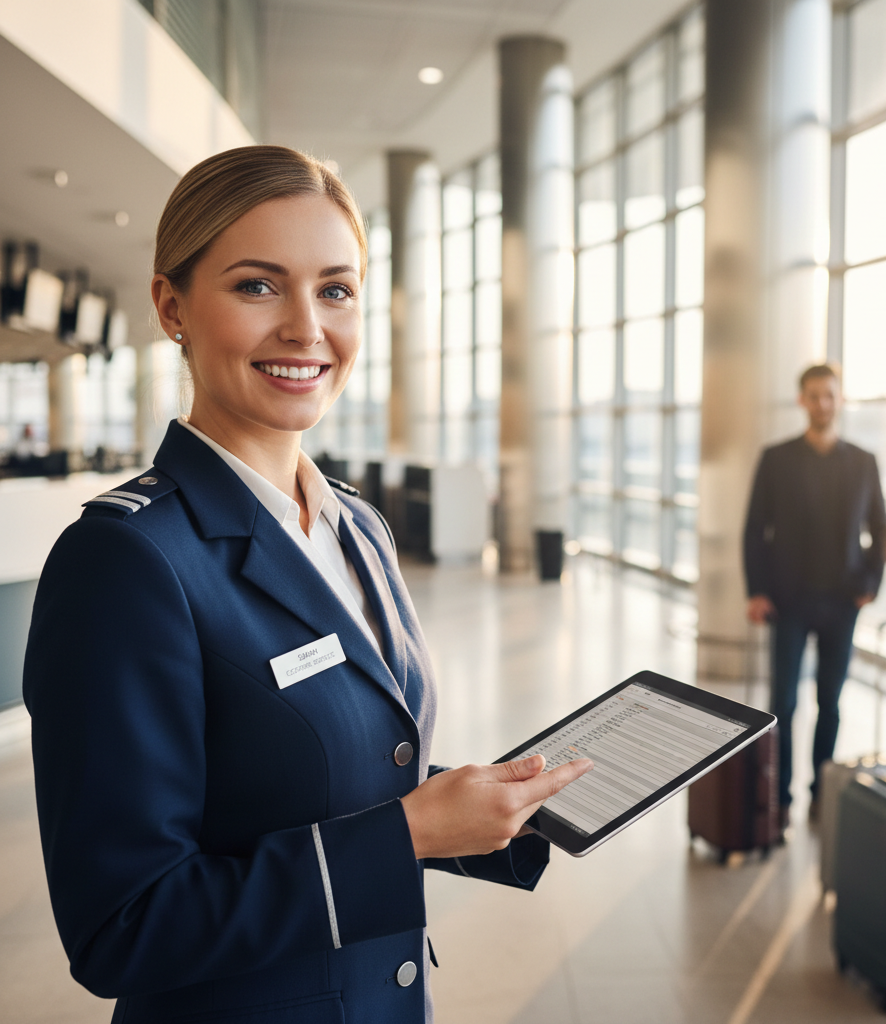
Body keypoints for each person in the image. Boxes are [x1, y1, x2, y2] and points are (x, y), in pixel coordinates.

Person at [22, 146, 592, 1024]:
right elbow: (123, 926)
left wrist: (499, 808)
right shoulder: (128, 563)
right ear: (172, 307)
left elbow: (345, 776)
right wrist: (410, 834)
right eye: (258, 286)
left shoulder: (358, 526)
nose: (306, 328)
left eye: (336, 289)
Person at [744, 363, 886, 824]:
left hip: (842, 602)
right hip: (788, 601)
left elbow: (880, 530)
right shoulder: (776, 457)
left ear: (839, 399)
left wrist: (870, 585)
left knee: (831, 701)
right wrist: (757, 590)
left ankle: (821, 793)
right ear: (801, 400)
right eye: (814, 396)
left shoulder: (864, 461)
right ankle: (778, 799)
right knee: (782, 703)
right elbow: (754, 530)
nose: (822, 404)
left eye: (829, 395)